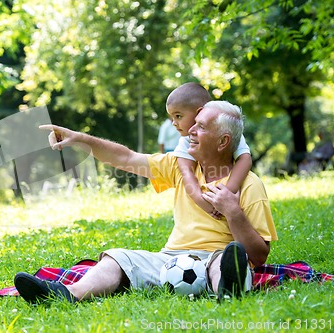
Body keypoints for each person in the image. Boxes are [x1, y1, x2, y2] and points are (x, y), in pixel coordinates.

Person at [14, 92, 277, 304]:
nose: (190, 132)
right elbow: (126, 158)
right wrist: (79, 138)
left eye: (201, 127)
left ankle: (228, 292)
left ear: (223, 142)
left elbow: (259, 254)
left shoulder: (249, 185)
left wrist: (234, 213)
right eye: (193, 124)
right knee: (117, 258)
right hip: (171, 259)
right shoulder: (177, 165)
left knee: (226, 261)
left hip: (215, 258)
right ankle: (66, 295)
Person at [167, 83, 252, 218]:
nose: (173, 123)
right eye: (172, 117)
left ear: (199, 112)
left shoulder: (226, 130)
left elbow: (245, 159)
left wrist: (226, 194)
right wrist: (202, 202)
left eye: (178, 116)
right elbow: (186, 172)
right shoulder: (185, 140)